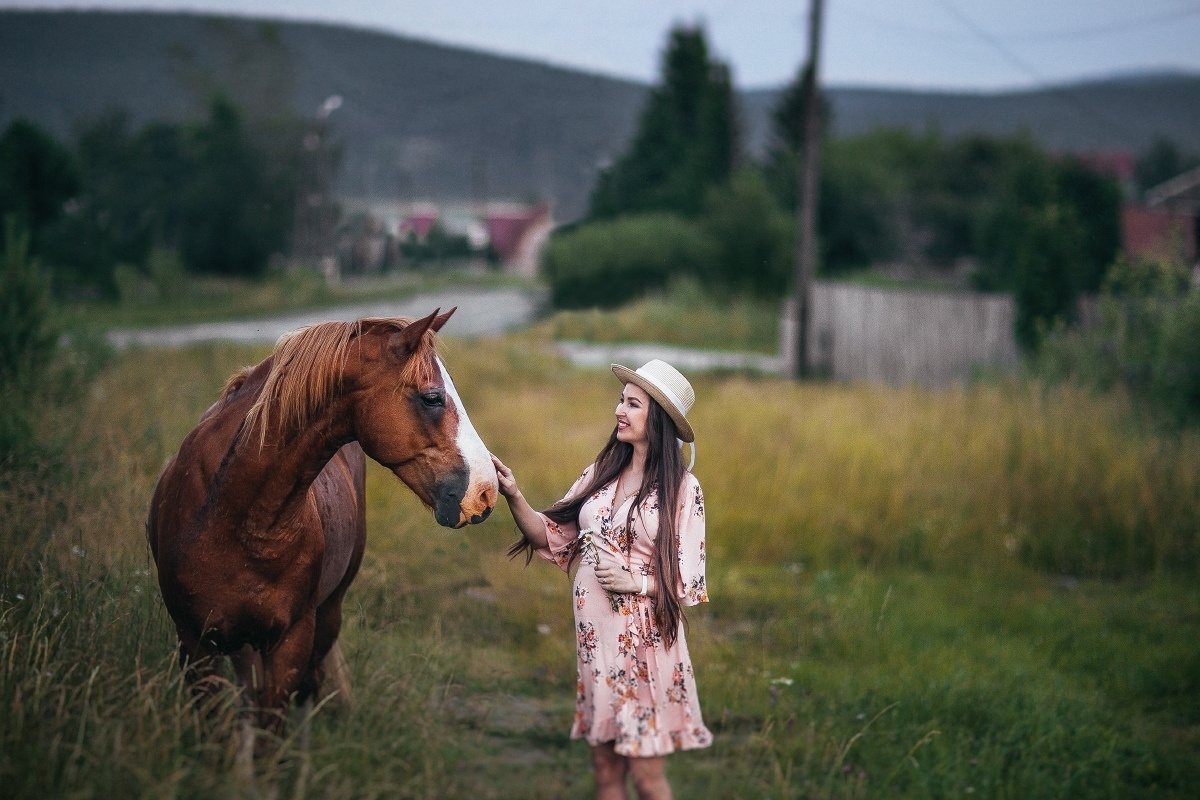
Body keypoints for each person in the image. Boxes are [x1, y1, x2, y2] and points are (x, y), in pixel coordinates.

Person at [491, 359, 712, 800]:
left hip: (647, 649)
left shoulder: (684, 490)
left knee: (647, 779)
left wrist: (636, 583)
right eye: (621, 400)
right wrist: (513, 494)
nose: (619, 411)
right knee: (606, 773)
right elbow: (550, 536)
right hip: (599, 649)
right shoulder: (602, 474)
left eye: (633, 404)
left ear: (659, 421)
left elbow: (691, 583)